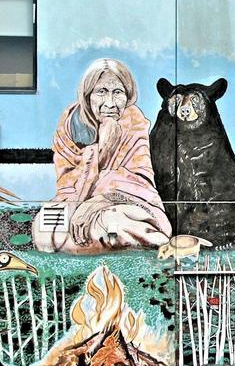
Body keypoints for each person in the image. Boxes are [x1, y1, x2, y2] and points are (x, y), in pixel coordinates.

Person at [33, 59, 172, 254]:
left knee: (112, 221)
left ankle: (156, 240)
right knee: (43, 229)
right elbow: (67, 183)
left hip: (123, 204)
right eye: (101, 92)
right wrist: (100, 150)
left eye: (118, 92)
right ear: (87, 95)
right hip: (75, 200)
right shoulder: (69, 123)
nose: (110, 103)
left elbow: (138, 180)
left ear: (128, 95)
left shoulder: (133, 121)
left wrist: (96, 202)